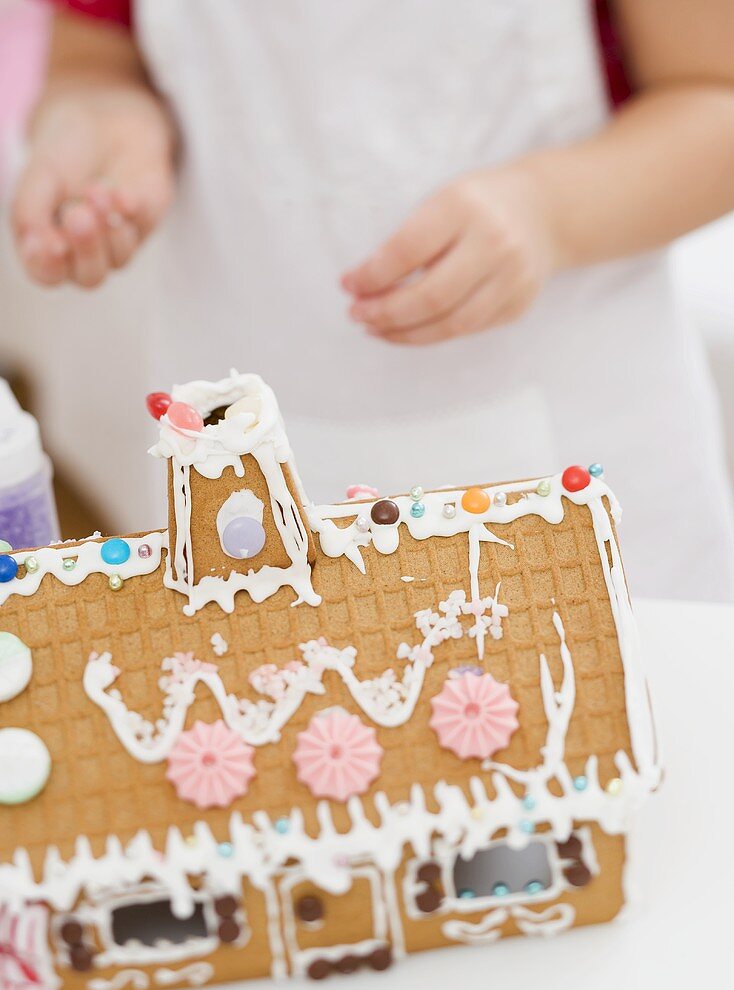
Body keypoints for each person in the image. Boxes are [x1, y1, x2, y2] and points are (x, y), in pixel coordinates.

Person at [10, 0, 734, 599]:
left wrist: (549, 212)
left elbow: (716, 96)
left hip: (578, 447)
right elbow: (93, 61)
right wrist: (106, 126)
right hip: (239, 470)